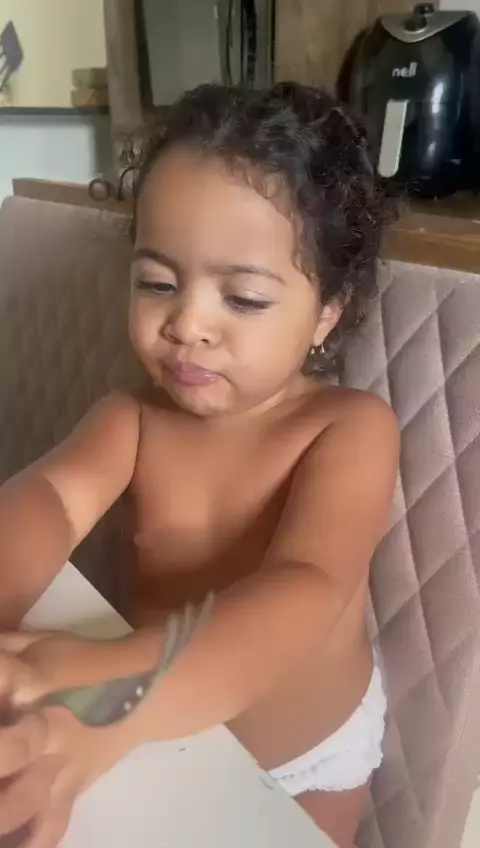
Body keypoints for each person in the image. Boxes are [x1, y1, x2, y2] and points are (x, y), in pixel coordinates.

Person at [0, 82, 399, 848]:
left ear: (328, 310)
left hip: (302, 752)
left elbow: (302, 591)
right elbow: (49, 496)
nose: (187, 324)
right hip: (162, 726)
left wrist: (123, 692)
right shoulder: (131, 419)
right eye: (157, 283)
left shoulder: (348, 429)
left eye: (242, 299)